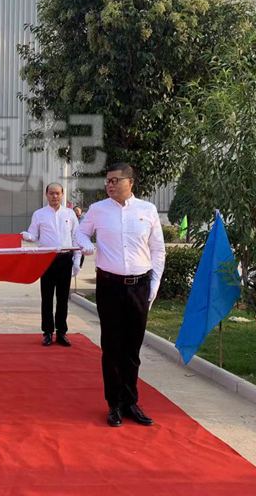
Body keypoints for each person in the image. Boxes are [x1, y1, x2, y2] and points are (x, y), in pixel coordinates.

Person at [76, 162, 165, 428]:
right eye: (108, 181)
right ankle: (114, 404)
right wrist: (86, 245)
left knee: (132, 348)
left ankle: (130, 402)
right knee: (112, 347)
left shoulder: (147, 210)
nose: (110, 185)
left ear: (130, 182)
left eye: (115, 180)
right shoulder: (98, 210)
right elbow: (80, 232)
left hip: (139, 286)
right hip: (110, 286)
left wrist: (153, 285)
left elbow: (158, 250)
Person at [21, 183, 81, 347]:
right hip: (46, 259)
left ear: (62, 194)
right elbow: (34, 235)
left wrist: (77, 260)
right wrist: (27, 236)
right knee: (47, 297)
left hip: (65, 259)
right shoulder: (39, 214)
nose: (55, 196)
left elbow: (76, 237)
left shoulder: (70, 214)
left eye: (57, 193)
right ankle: (47, 332)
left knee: (63, 298)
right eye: (51, 193)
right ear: (46, 195)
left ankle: (61, 332)